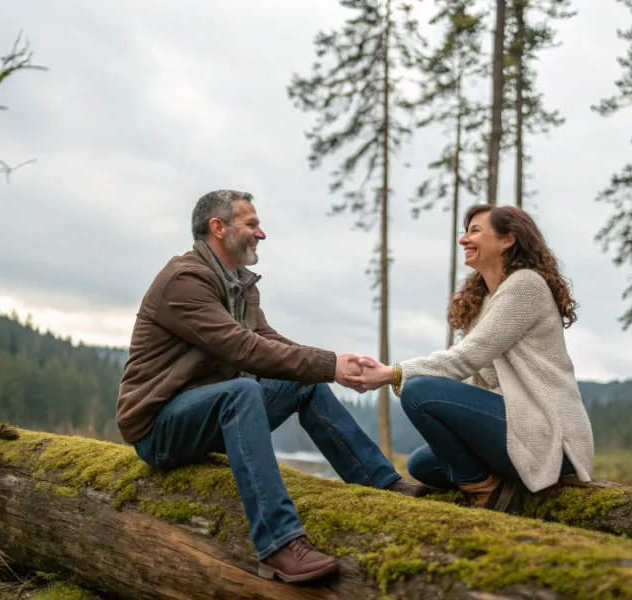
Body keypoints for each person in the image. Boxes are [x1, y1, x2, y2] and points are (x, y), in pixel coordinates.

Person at [116, 189, 425, 585]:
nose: (261, 234)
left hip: (208, 417)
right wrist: (330, 365)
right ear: (218, 228)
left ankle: (380, 482)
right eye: (252, 224)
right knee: (242, 391)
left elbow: (268, 339)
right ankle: (279, 545)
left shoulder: (240, 285)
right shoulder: (184, 281)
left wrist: (334, 365)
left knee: (302, 384)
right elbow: (243, 348)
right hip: (159, 428)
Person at [345, 204, 594, 513]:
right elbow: (469, 376)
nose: (464, 239)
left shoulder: (525, 285)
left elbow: (465, 358)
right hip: (517, 424)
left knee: (419, 391)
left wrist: (392, 373)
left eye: (475, 230)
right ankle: (499, 483)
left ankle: (486, 493)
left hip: (550, 435)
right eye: (465, 231)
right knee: (422, 464)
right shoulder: (490, 298)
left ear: (508, 240)